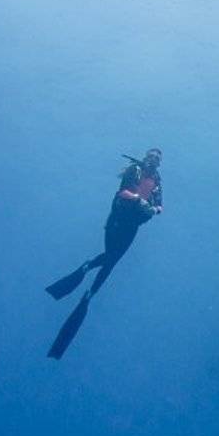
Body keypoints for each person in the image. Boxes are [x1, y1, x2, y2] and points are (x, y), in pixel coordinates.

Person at [45, 148, 164, 359]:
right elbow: (122, 193)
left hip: (132, 226)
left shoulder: (157, 180)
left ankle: (88, 283)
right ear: (145, 158)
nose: (153, 160)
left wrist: (153, 209)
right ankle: (88, 279)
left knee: (112, 261)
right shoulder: (134, 171)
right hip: (118, 222)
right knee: (110, 258)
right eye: (151, 156)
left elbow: (160, 206)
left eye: (157, 158)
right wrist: (138, 199)